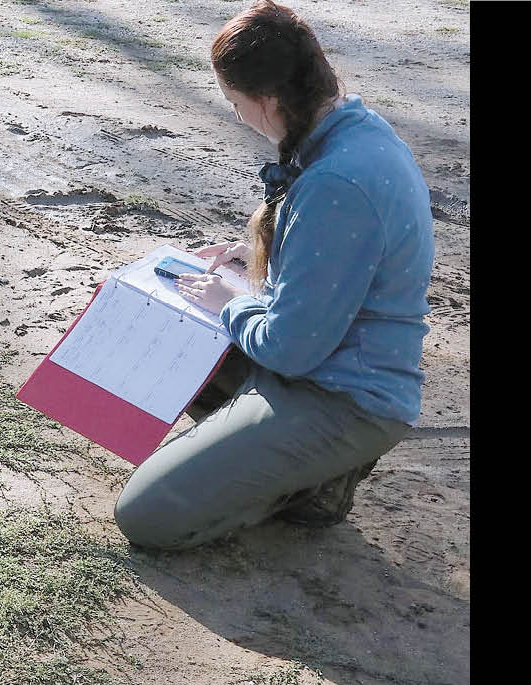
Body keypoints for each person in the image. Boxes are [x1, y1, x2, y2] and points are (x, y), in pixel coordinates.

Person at [112, 0, 434, 550]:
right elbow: (337, 260)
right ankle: (288, 467)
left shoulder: (337, 183)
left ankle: (311, 480)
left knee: (145, 514)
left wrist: (228, 303)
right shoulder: (353, 128)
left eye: (236, 103)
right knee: (174, 326)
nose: (237, 116)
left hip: (343, 398)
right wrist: (253, 255)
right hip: (321, 364)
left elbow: (289, 350)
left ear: (269, 100)